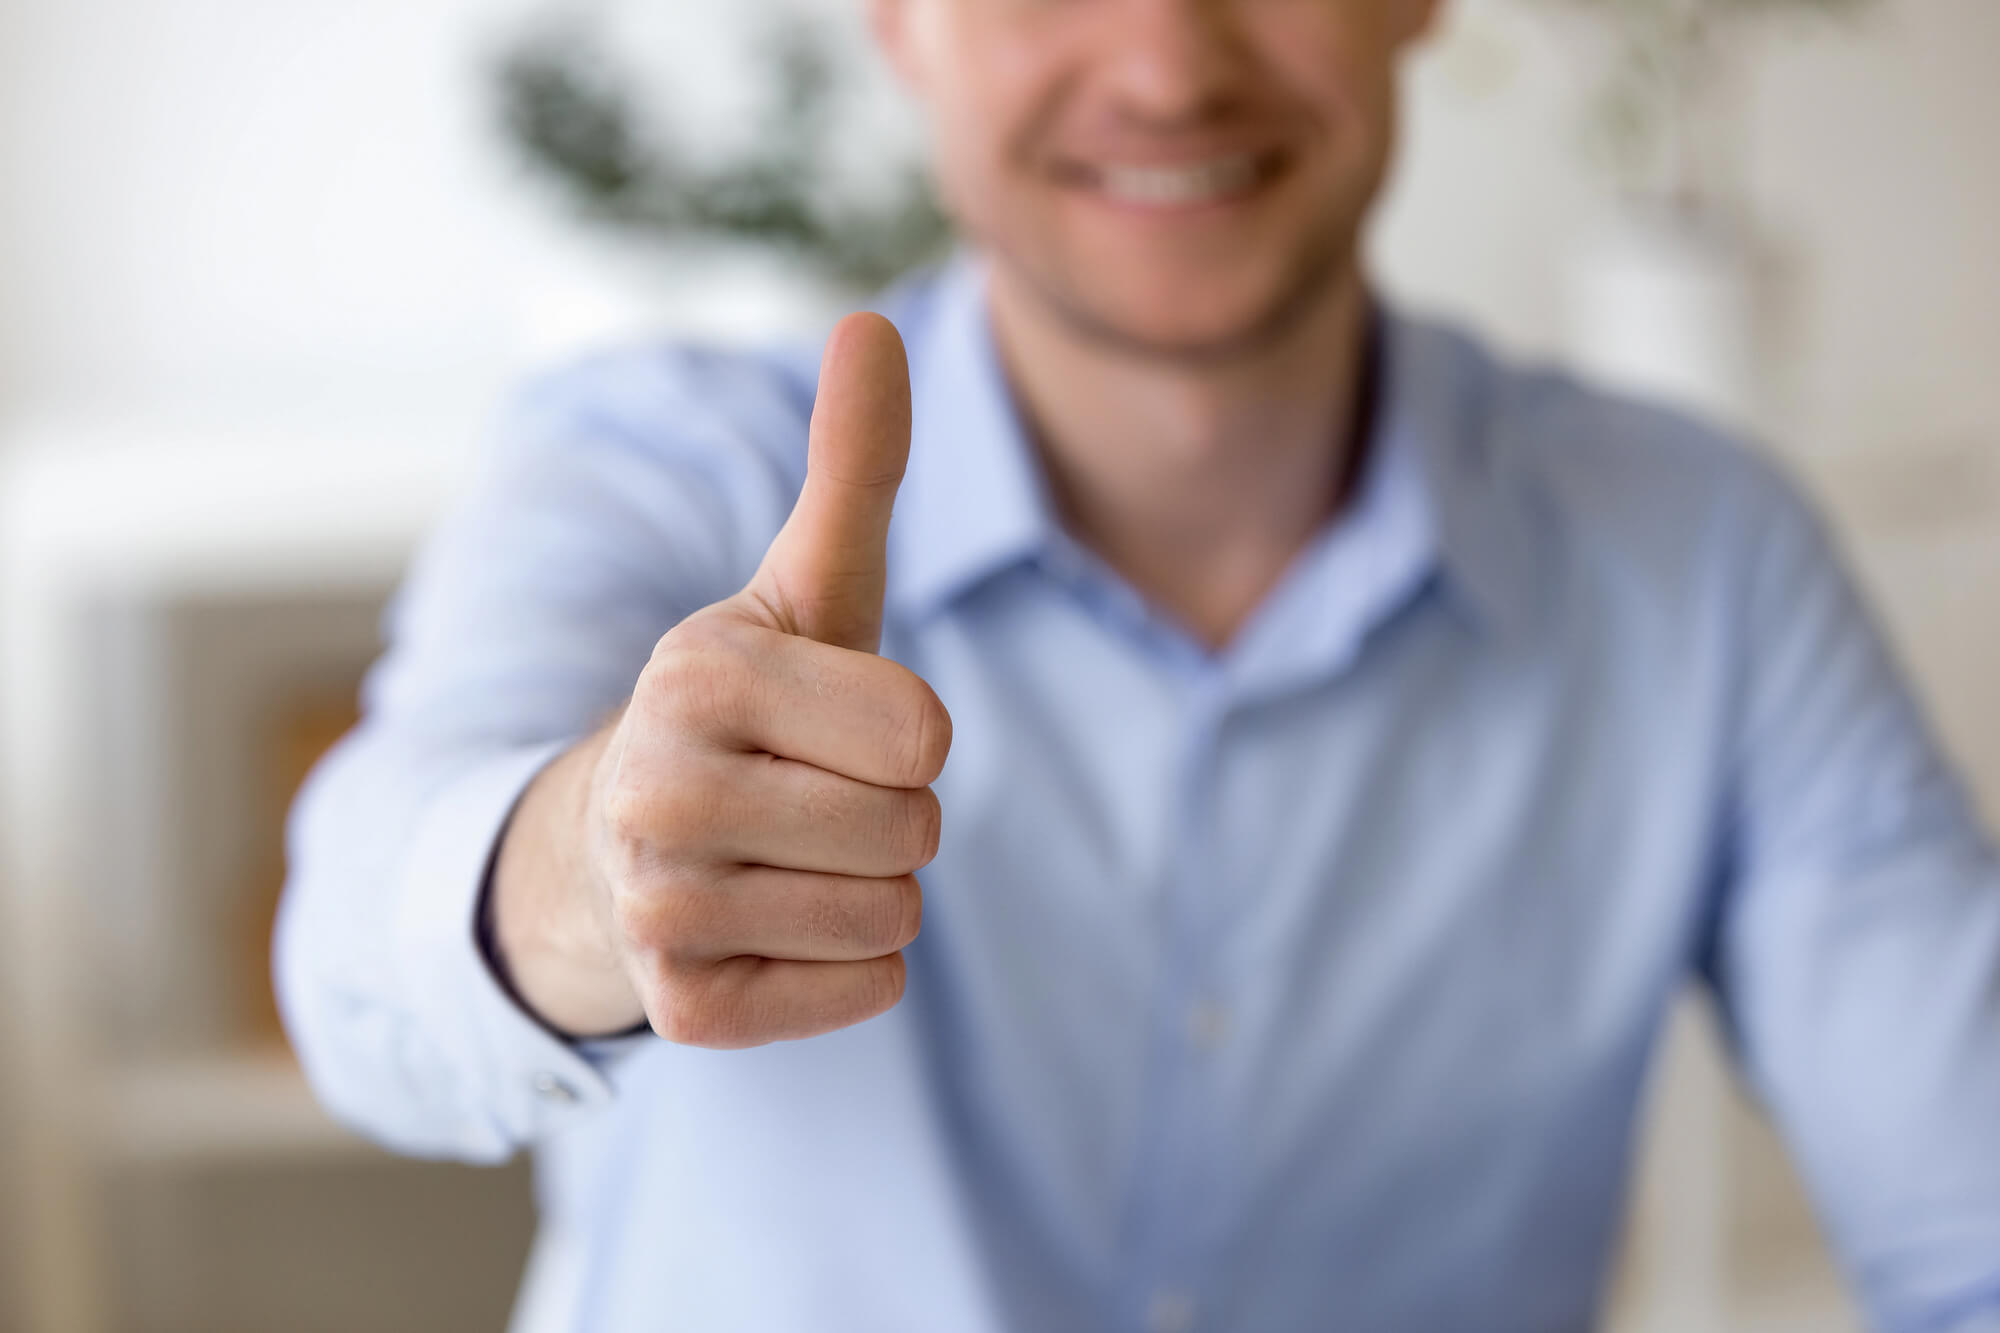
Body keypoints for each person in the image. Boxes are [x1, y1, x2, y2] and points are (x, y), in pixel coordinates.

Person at [275, 0, 2000, 1329]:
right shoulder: (659, 470)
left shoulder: (1702, 561)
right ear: (897, 20)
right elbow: (360, 961)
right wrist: (597, 865)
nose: (1170, 70)